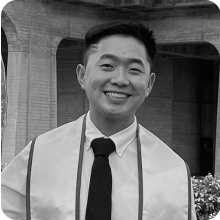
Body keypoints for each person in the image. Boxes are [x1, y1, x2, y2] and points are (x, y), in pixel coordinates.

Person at [1, 21, 197, 220]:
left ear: (149, 84)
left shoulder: (173, 171)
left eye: (134, 70)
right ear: (82, 76)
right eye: (107, 66)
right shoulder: (39, 155)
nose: (120, 80)